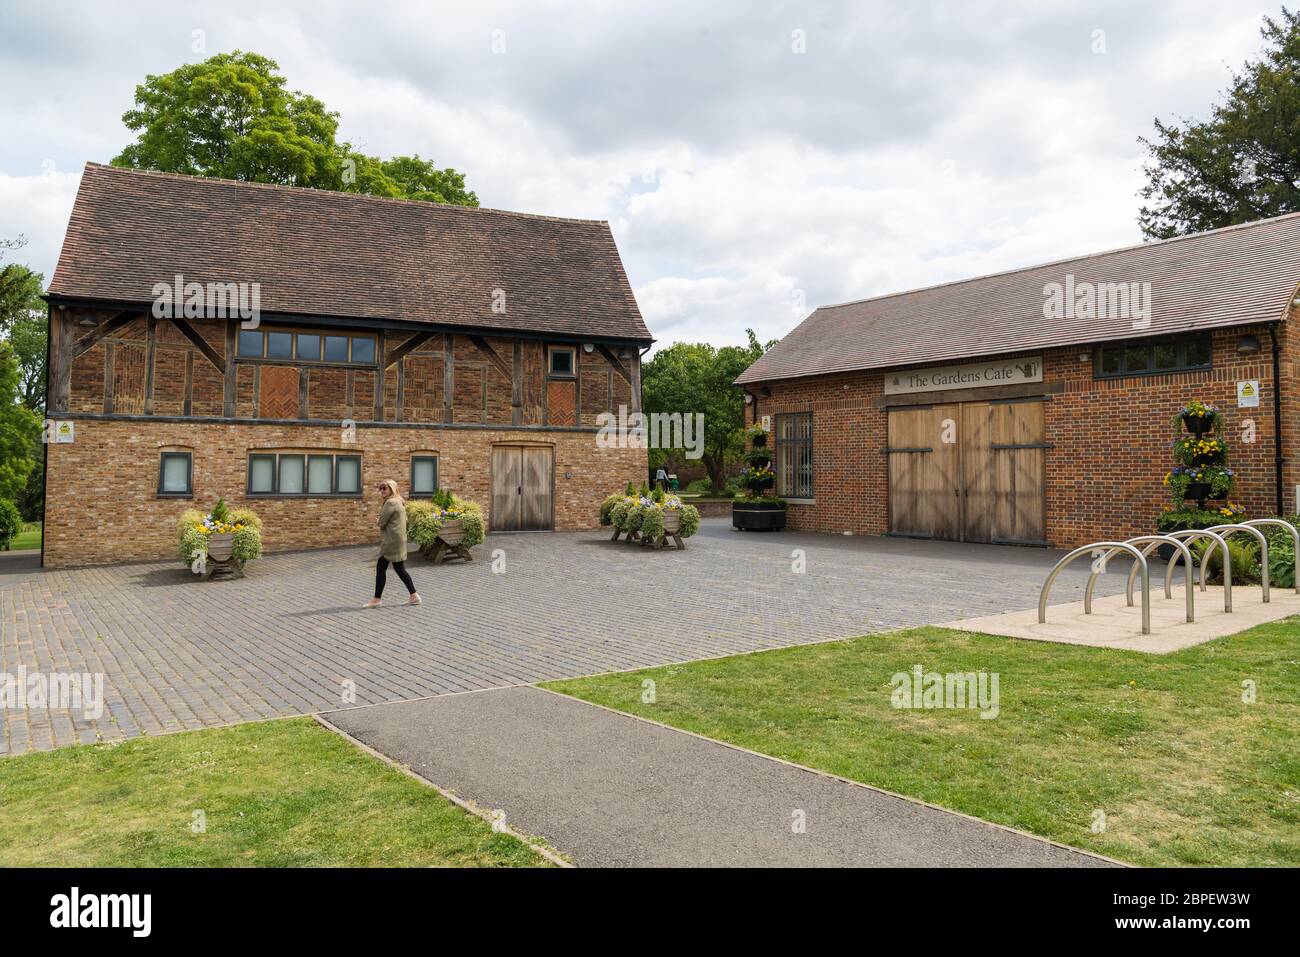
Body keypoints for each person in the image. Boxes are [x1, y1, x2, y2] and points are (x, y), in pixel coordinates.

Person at [365, 479, 420, 608]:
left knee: (381, 568)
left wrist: (378, 519)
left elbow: (381, 522)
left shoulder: (390, 503)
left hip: (391, 541)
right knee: (399, 568)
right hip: (398, 540)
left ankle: (376, 600)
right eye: (381, 488)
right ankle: (414, 596)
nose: (382, 491)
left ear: (392, 489)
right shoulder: (400, 501)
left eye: (385, 488)